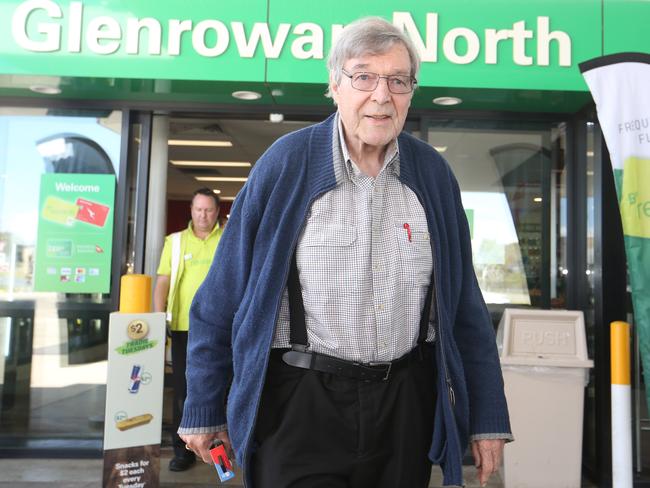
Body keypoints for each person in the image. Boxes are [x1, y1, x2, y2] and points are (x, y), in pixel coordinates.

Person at [179, 17, 512, 488]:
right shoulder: (286, 164)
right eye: (363, 77)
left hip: (404, 405)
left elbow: (465, 311)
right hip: (298, 403)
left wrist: (486, 416)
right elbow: (220, 298)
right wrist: (204, 406)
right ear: (334, 86)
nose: (381, 95)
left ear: (411, 92)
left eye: (398, 80)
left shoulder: (433, 177)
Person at [153, 187, 222, 472]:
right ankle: (183, 451)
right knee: (184, 390)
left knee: (224, 389)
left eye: (208, 209)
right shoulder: (176, 241)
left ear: (217, 211)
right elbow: (163, 282)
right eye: (198, 209)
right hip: (184, 328)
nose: (203, 215)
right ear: (191, 210)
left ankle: (221, 452)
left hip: (221, 329)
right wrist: (159, 320)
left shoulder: (228, 239)